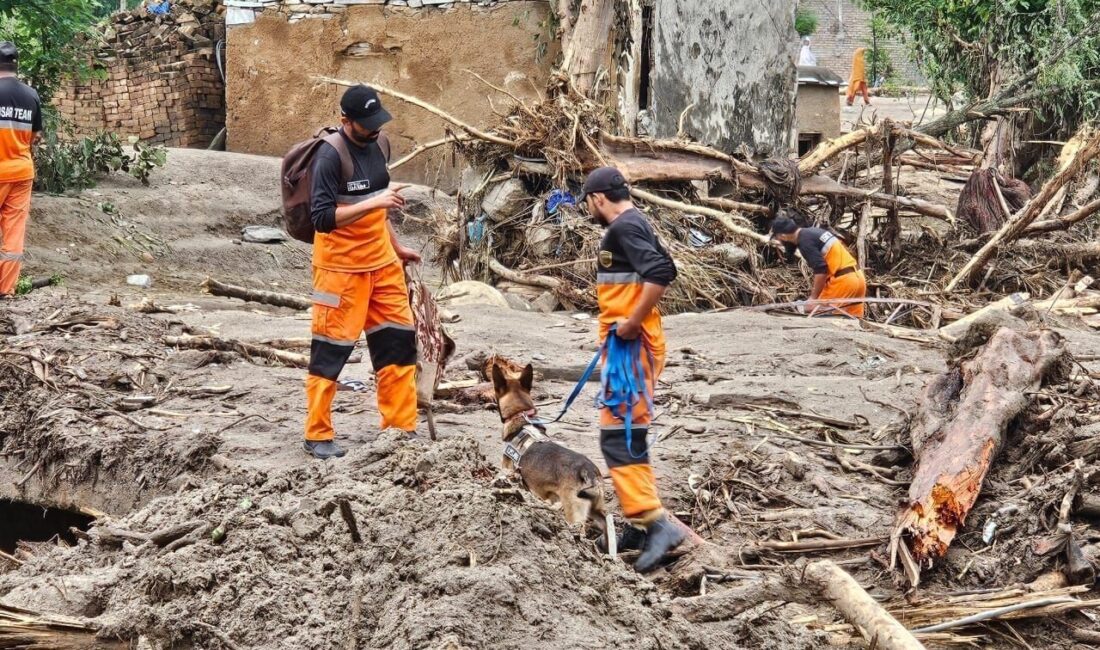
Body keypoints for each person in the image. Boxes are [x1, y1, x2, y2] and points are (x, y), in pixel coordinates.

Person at [304, 84, 422, 460]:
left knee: (398, 345)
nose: (374, 129)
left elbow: (378, 208)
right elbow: (322, 218)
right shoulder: (329, 156)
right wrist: (374, 202)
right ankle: (317, 434)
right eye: (367, 124)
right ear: (345, 120)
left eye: (377, 122)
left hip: (383, 265)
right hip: (338, 271)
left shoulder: (380, 144)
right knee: (330, 352)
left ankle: (399, 428)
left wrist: (397, 247)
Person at [581, 166, 685, 573]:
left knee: (618, 438)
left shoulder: (623, 227)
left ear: (598, 198)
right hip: (631, 346)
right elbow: (665, 265)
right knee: (627, 432)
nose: (588, 208)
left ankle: (655, 523)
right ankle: (639, 526)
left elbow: (661, 272)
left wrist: (631, 322)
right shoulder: (634, 222)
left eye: (587, 202)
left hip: (630, 348)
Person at [0, 42, 42, 299]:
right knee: (14, 233)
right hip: (22, 172)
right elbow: (35, 137)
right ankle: (6, 289)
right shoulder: (31, 95)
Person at [770, 215, 866, 318]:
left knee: (820, 316)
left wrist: (813, 298)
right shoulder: (813, 232)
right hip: (858, 278)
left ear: (783, 236)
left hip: (843, 283)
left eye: (778, 239)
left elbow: (821, 269)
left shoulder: (804, 242)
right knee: (853, 321)